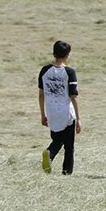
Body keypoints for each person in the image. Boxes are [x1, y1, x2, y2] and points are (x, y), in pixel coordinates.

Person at [38, 40, 80, 176]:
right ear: (68, 55)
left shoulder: (45, 71)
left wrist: (43, 114)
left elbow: (41, 95)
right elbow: (73, 96)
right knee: (69, 146)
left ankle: (49, 154)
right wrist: (78, 118)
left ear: (53, 54)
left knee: (57, 140)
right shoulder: (69, 72)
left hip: (51, 111)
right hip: (66, 113)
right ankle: (66, 173)